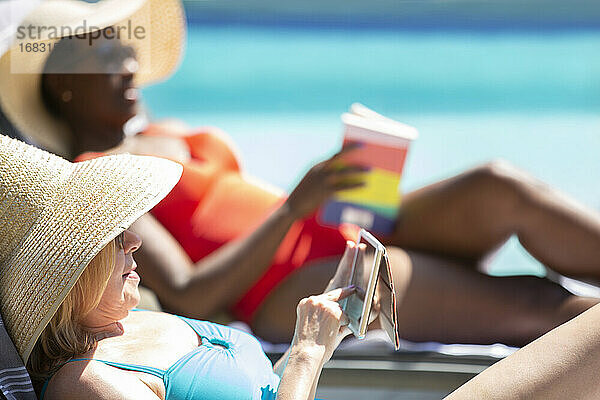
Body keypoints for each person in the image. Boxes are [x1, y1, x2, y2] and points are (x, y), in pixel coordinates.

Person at [2, 0, 600, 348]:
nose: (129, 61)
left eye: (126, 47)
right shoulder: (99, 176)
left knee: (499, 185)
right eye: (105, 55)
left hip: (328, 231)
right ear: (63, 86)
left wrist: (337, 187)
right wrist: (293, 205)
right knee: (533, 301)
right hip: (283, 287)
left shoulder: (165, 133)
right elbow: (191, 294)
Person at [0, 135, 364, 400]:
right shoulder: (84, 383)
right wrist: (305, 353)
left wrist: (323, 332)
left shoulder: (130, 317)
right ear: (66, 269)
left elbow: (261, 388)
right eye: (112, 235)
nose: (133, 241)